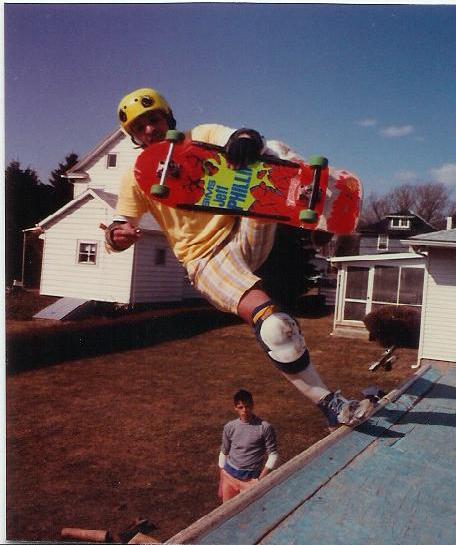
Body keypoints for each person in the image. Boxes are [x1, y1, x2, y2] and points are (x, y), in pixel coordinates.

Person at [106, 87, 374, 430]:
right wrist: (117, 236)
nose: (149, 130)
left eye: (154, 120)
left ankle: (312, 213)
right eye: (138, 128)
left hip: (243, 228)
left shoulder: (200, 137)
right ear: (133, 137)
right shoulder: (135, 177)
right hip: (206, 261)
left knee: (271, 150)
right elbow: (118, 226)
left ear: (168, 117)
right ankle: (333, 405)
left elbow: (240, 136)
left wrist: (245, 140)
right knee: (277, 328)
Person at [218, 389, 278, 502]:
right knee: (227, 513)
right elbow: (223, 452)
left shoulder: (264, 427)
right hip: (229, 477)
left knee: (250, 514)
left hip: (251, 480)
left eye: (247, 406)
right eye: (240, 407)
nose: (244, 410)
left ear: (252, 405)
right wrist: (222, 481)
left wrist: (260, 480)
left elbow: (273, 455)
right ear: (235, 407)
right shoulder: (229, 427)